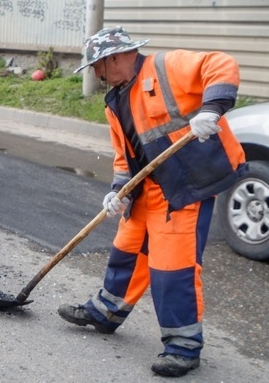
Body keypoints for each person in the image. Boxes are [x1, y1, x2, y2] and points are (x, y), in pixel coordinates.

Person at [58, 27, 247, 377]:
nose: (97, 76)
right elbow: (122, 156)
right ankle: (107, 311)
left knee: (172, 269)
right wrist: (118, 191)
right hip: (147, 188)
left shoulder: (167, 66)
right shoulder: (114, 102)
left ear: (114, 58)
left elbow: (221, 64)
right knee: (126, 250)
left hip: (186, 186)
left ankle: (183, 347)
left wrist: (212, 109)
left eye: (98, 67)